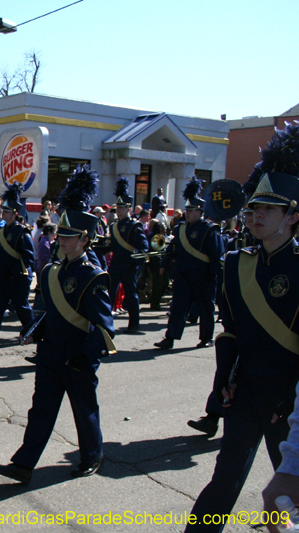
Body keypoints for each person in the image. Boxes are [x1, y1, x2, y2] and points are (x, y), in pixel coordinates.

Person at [186, 122, 299, 532]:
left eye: (269, 209)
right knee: (224, 479)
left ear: (293, 216)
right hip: (246, 392)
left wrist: (289, 400)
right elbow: (229, 328)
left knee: (290, 491)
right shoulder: (237, 263)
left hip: (288, 400)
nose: (256, 215)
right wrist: (224, 380)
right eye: (254, 208)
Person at [0, 192, 115, 485]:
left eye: (70, 236)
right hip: (50, 354)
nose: (62, 239)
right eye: (62, 234)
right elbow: (53, 313)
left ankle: (92, 455)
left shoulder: (93, 276)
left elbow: (104, 327)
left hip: (77, 356)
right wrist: (36, 330)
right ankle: (23, 464)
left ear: (84, 239)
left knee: (84, 410)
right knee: (40, 411)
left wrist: (85, 356)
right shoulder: (50, 272)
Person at [154, 177, 224, 350]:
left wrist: (213, 274)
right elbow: (172, 247)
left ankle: (206, 338)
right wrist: (165, 261)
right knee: (177, 308)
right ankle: (170, 338)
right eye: (187, 210)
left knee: (205, 308)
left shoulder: (209, 229)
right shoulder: (180, 228)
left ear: (200, 212)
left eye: (191, 210)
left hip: (203, 275)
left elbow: (217, 254)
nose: (188, 213)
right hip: (183, 274)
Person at [0, 185, 35, 349]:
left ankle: (34, 334)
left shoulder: (22, 232)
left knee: (23, 309)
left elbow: (29, 257)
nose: (4, 213)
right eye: (4, 210)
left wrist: (15, 271)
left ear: (15, 214)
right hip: (2, 278)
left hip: (17, 278)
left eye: (8, 211)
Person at [107, 177, 148, 334]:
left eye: (122, 207)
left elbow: (143, 247)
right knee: (109, 293)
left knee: (131, 295)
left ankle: (134, 323)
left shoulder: (134, 226)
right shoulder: (114, 226)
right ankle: (105, 324)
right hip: (116, 264)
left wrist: (137, 262)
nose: (118, 210)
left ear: (128, 208)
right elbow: (112, 246)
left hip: (129, 265)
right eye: (117, 207)